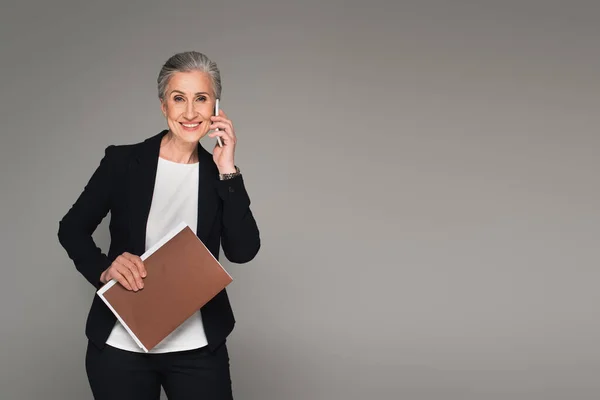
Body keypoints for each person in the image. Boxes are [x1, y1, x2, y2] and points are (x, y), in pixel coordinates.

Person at [58, 51, 260, 399]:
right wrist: (105, 268)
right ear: (163, 105)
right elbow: (72, 228)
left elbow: (242, 251)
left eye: (201, 98)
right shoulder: (123, 162)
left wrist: (228, 167)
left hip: (197, 349)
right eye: (178, 98)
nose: (190, 112)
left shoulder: (219, 175)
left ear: (216, 106)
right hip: (121, 348)